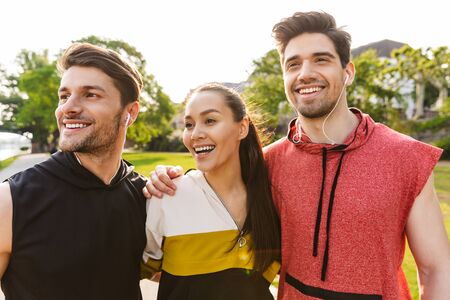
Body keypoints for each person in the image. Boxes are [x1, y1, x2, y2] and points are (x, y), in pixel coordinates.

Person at [144, 12, 450, 300]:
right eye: (293, 64)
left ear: (348, 72)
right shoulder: (267, 163)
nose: (305, 73)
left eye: (321, 60)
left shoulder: (406, 156)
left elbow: (435, 269)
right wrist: (166, 178)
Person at [0, 43, 147, 300]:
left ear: (130, 112)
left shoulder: (147, 196)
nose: (68, 107)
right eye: (64, 95)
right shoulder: (10, 201)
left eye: (90, 94)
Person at [141, 83, 280, 299]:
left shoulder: (270, 198)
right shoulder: (167, 195)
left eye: (210, 121)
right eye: (188, 124)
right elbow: (140, 269)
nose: (195, 134)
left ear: (242, 128)